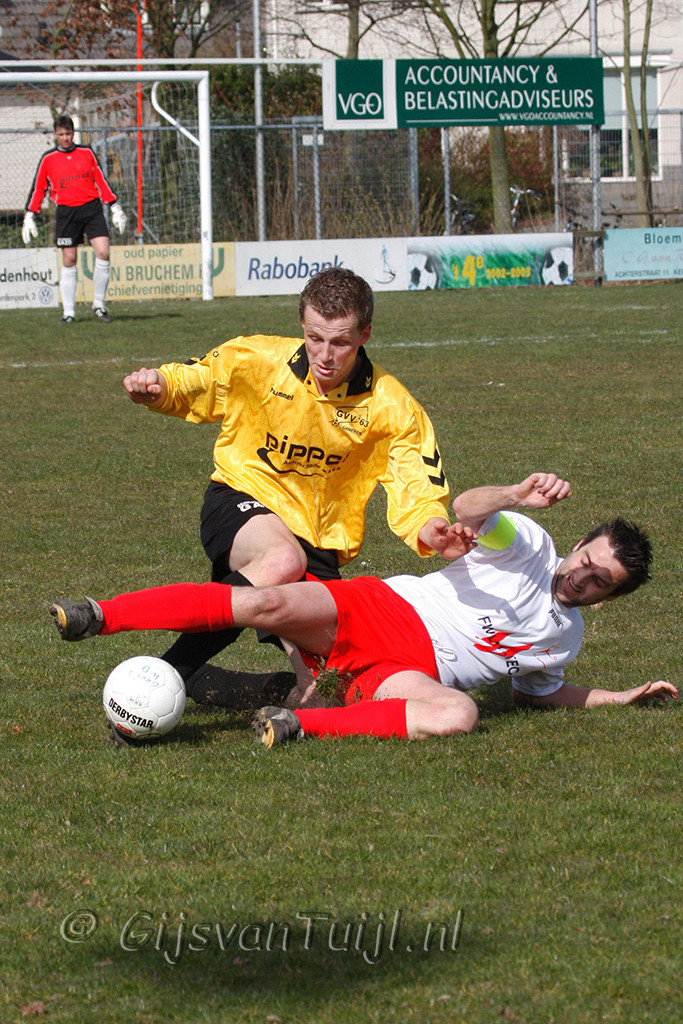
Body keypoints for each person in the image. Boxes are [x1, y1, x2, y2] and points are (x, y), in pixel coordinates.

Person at [50, 473, 677, 747]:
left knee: (459, 714)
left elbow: (539, 694)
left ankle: (297, 724)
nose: (581, 576)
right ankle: (98, 615)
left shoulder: (565, 638)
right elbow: (467, 509)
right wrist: (516, 493)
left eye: (598, 582)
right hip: (386, 608)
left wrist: (621, 697)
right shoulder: (531, 545)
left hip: (410, 672)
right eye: (586, 559)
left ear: (607, 598)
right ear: (577, 544)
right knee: (264, 600)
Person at [120, 266, 456, 697]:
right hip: (242, 496)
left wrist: (432, 527)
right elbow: (196, 380)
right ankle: (158, 677)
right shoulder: (256, 359)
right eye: (314, 338)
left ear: (365, 335)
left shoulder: (392, 406)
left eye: (340, 342)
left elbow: (417, 485)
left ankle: (210, 684)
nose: (325, 355)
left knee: (328, 688)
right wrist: (159, 386)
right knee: (281, 560)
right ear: (302, 324)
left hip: (316, 540)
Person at [22, 114, 127, 324]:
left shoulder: (86, 153)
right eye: (61, 134)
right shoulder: (48, 159)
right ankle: (68, 312)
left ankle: (99, 305)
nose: (65, 138)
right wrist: (30, 215)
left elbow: (100, 180)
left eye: (68, 134)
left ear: (73, 133)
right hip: (66, 212)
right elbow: (39, 188)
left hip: (91, 209)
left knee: (103, 252)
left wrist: (115, 207)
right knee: (69, 259)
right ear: (55, 134)